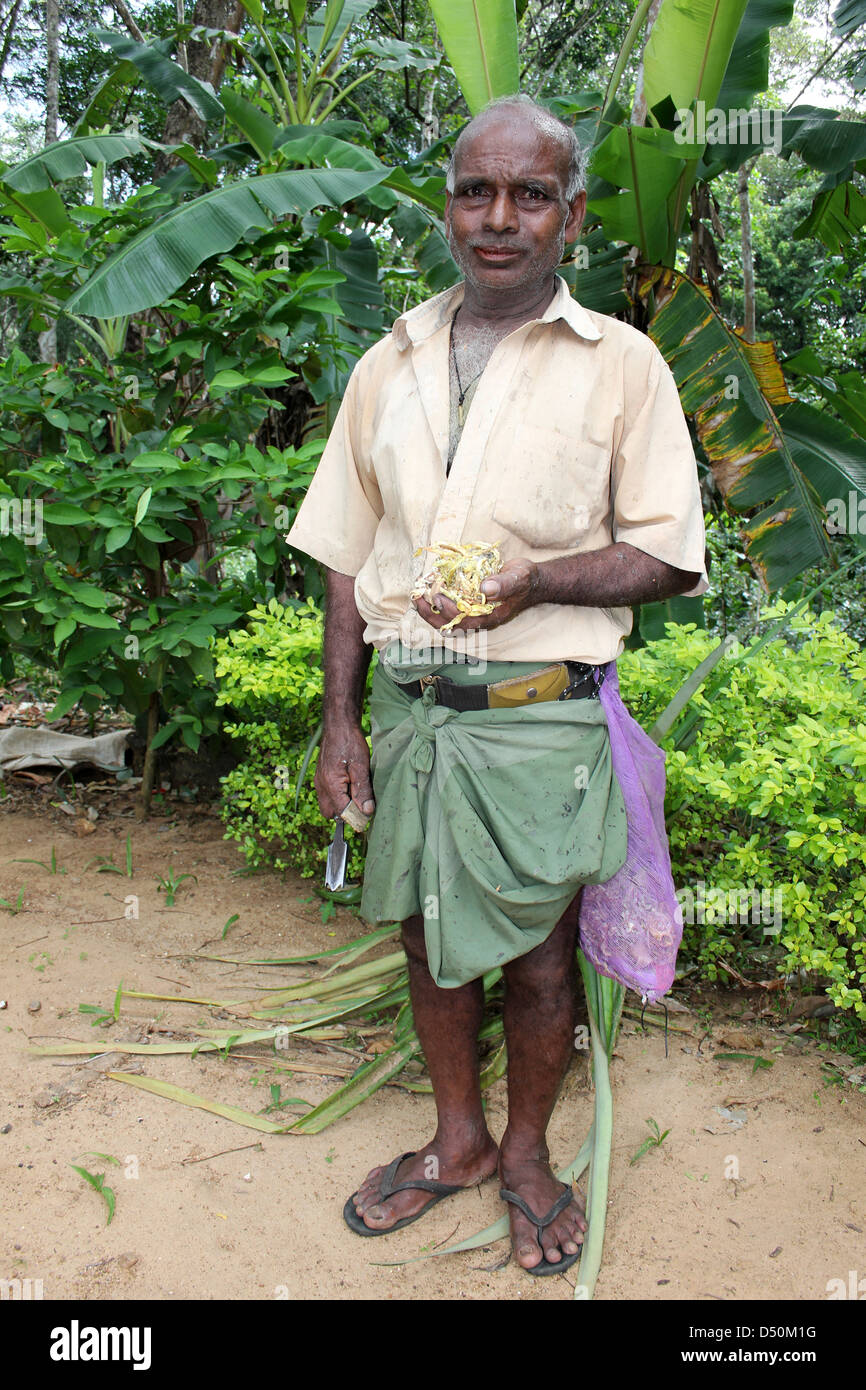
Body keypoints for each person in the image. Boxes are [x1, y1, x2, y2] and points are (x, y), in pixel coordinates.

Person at [286, 94, 708, 1277]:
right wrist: (338, 721)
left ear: (569, 217)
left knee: (533, 954)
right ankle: (457, 1139)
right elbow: (340, 548)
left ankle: (527, 1151)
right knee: (427, 941)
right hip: (412, 714)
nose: (498, 217)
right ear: (446, 206)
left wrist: (533, 586)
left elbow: (669, 551)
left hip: (537, 718)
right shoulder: (389, 363)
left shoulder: (621, 364)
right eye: (476, 190)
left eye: (529, 195)